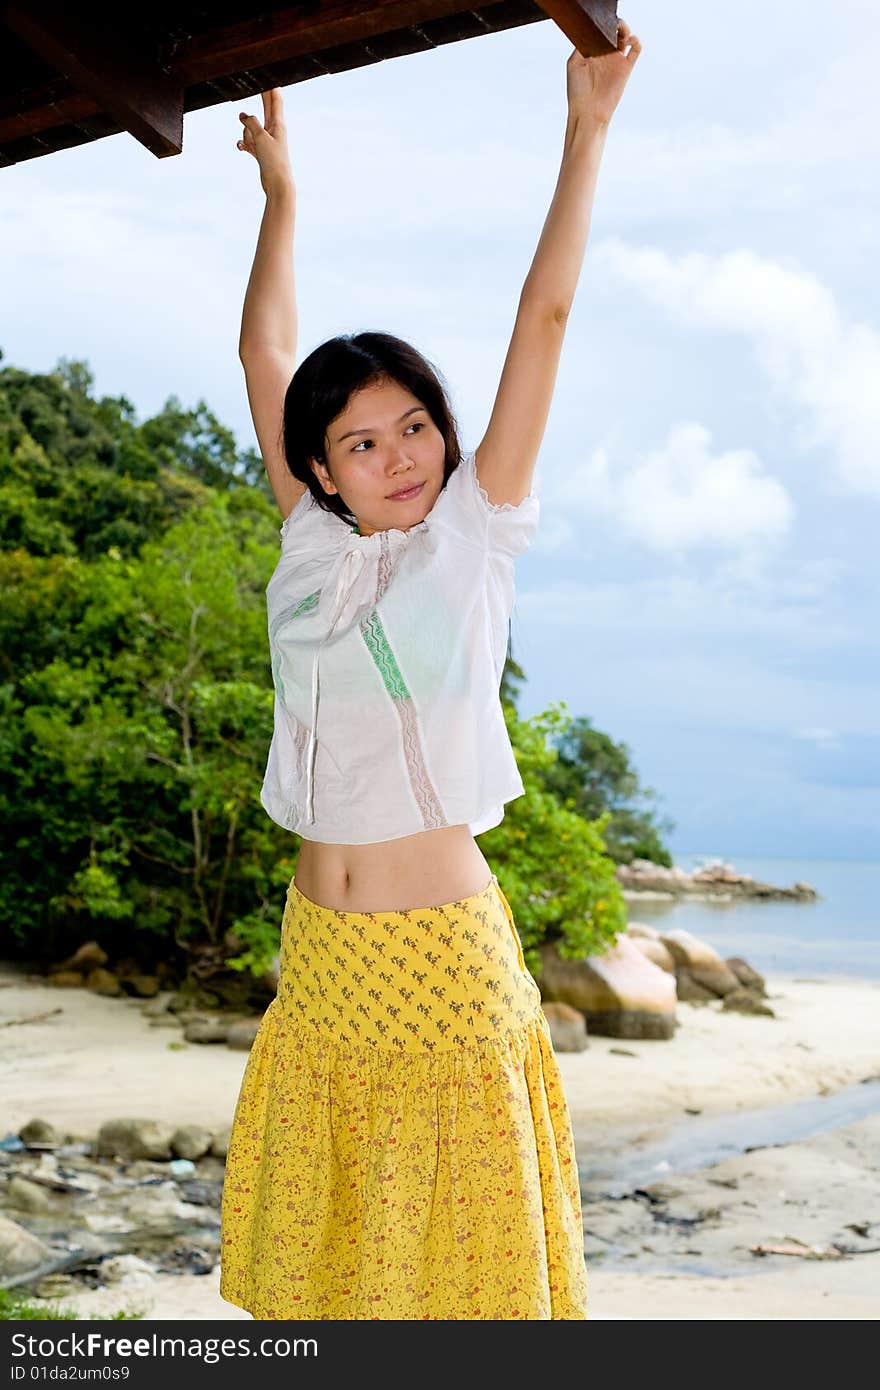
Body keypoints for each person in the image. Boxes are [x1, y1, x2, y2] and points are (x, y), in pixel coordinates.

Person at [219, 21, 642, 1321]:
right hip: (324, 961)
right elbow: (263, 356)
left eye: (413, 423)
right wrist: (283, 200)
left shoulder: (472, 536)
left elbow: (546, 314)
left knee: (461, 1281)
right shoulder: (308, 547)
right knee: (338, 1276)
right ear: (322, 468)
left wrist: (585, 134)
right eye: (358, 440)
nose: (396, 451)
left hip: (443, 959)